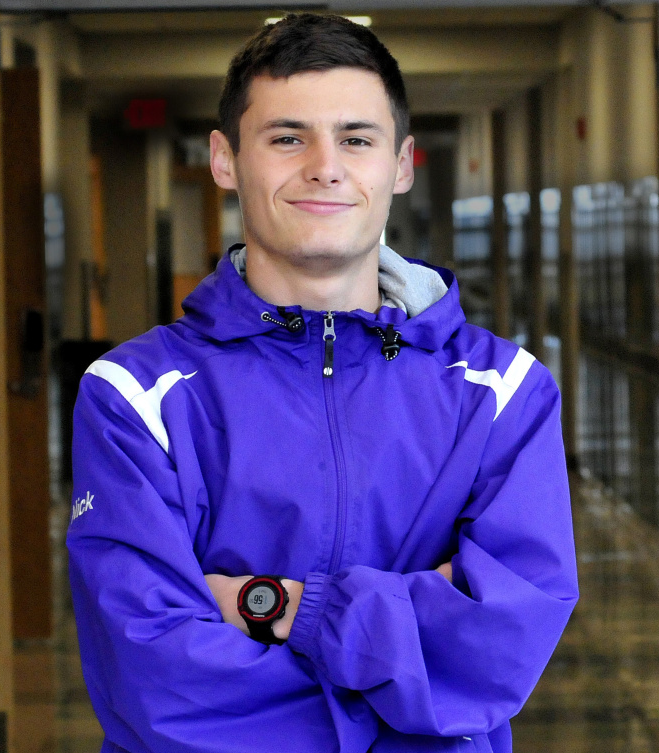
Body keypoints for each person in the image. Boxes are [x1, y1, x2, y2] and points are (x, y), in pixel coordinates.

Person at [68, 13, 578, 753]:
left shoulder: (502, 392)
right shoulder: (133, 398)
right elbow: (158, 683)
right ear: (224, 160)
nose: (325, 167)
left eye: (356, 139)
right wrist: (398, 690)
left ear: (400, 165)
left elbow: (497, 644)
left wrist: (283, 608)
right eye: (287, 138)